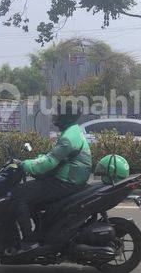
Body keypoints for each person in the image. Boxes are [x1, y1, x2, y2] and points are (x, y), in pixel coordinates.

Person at [10, 101, 92, 254]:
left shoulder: (68, 138)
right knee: (32, 196)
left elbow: (50, 162)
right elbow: (54, 157)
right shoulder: (73, 131)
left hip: (66, 182)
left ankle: (28, 241)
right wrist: (36, 160)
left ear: (66, 117)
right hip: (70, 179)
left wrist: (25, 165)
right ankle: (40, 232)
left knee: (18, 195)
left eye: (59, 114)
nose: (56, 117)